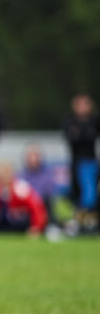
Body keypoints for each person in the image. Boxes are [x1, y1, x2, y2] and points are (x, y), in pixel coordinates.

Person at [0, 162, 48, 237]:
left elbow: (36, 208)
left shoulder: (22, 188)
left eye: (7, 172)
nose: (4, 175)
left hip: (19, 226)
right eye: (2, 172)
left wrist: (37, 227)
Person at [62, 93, 99, 231]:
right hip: (74, 162)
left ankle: (87, 222)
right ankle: (80, 222)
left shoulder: (94, 121)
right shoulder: (70, 121)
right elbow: (72, 139)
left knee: (89, 196)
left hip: (89, 163)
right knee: (75, 193)